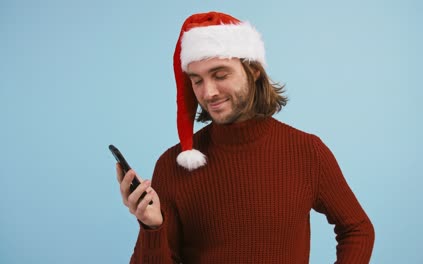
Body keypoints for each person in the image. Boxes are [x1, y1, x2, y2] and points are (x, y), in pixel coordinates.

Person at [116, 11, 375, 264]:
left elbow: (357, 230)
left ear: (253, 71)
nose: (208, 93)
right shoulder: (174, 164)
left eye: (220, 75)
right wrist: (152, 228)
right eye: (196, 81)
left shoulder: (307, 151)